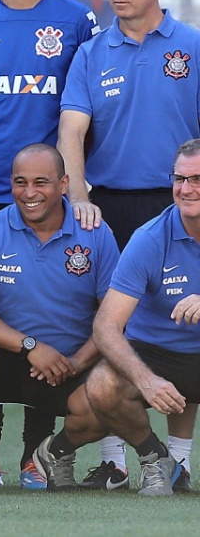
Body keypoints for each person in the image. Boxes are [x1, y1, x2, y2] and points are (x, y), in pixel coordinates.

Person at [0, 143, 119, 491]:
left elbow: (114, 315)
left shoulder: (96, 233)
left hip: (67, 364)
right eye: (20, 182)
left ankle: (47, 456)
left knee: (113, 394)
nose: (29, 193)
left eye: (41, 182)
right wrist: (30, 346)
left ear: (64, 183)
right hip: (6, 359)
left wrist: (76, 361)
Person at [60, 0, 200, 249]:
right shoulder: (89, 55)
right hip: (109, 209)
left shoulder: (194, 46)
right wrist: (80, 200)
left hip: (181, 202)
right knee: (110, 299)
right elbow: (70, 132)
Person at [84, 138, 200, 497]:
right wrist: (147, 381)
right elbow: (105, 326)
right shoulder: (150, 238)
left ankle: (180, 464)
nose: (186, 189)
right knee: (101, 385)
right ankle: (159, 460)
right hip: (157, 354)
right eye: (179, 178)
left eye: (197, 180)